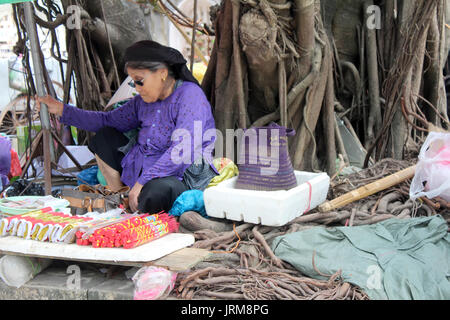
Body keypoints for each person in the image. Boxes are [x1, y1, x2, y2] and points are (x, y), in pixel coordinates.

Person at [35, 40, 217, 213]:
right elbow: (105, 120)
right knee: (104, 137)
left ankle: (138, 200)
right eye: (133, 82)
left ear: (162, 73)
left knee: (156, 192)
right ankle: (120, 199)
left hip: (177, 176)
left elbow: (181, 150)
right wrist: (61, 110)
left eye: (139, 81)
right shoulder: (142, 102)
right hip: (140, 172)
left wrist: (142, 182)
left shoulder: (190, 95)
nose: (136, 88)